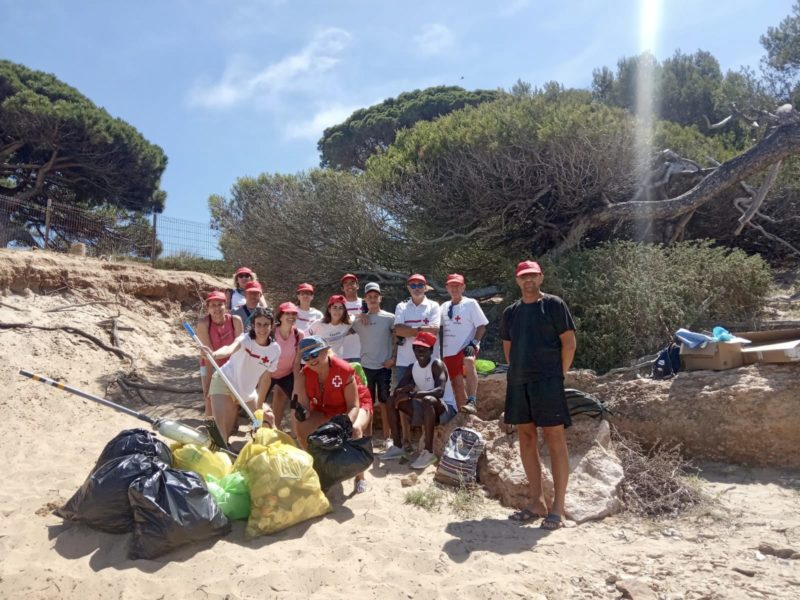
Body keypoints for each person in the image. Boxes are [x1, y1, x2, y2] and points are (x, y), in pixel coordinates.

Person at [500, 260, 577, 530]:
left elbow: (569, 343)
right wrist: (520, 371)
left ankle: (558, 507)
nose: (528, 281)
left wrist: (559, 374)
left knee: (555, 437)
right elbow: (508, 349)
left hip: (548, 381)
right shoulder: (511, 312)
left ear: (541, 278)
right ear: (517, 281)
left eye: (533, 276)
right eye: (523, 277)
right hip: (519, 382)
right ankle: (536, 501)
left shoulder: (554, 305)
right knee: (526, 436)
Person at [293, 336, 373, 493]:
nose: (311, 360)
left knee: (355, 430)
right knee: (301, 427)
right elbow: (304, 407)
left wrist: (343, 424)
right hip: (326, 407)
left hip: (355, 405)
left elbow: (353, 406)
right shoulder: (304, 374)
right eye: (306, 357)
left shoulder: (343, 369)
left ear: (325, 351)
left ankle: (360, 477)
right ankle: (319, 468)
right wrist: (302, 413)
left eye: (315, 354)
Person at [204, 307, 281, 443]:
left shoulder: (275, 350)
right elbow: (229, 348)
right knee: (222, 430)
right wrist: (213, 354)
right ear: (252, 325)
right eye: (258, 324)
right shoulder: (245, 340)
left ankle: (264, 446)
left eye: (266, 325)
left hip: (247, 391)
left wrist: (258, 408)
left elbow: (265, 380)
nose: (262, 329)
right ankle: (221, 453)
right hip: (225, 382)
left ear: (272, 326)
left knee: (266, 418)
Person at [382, 331, 457, 469]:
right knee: (392, 400)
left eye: (424, 348)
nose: (420, 351)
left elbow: (439, 392)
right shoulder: (412, 367)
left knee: (428, 399)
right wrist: (406, 389)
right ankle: (398, 446)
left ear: (431, 350)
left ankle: (428, 452)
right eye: (417, 348)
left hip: (445, 409)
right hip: (425, 408)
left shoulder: (437, 364)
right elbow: (398, 389)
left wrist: (412, 395)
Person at [393, 273, 441, 447]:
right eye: (412, 285)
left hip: (427, 361)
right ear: (408, 287)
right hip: (405, 360)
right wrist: (422, 329)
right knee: (402, 398)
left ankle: (424, 440)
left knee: (426, 398)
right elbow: (398, 330)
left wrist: (410, 330)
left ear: (425, 286)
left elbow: (434, 330)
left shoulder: (434, 306)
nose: (416, 288)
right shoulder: (401, 306)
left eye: (420, 285)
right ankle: (405, 440)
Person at [350, 282, 395, 446]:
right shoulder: (360, 320)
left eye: (376, 296)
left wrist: (394, 359)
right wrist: (356, 316)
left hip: (384, 366)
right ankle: (366, 437)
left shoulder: (390, 318)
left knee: (384, 402)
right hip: (366, 367)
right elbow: (342, 327)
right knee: (366, 404)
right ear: (365, 299)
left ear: (380, 298)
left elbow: (399, 339)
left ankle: (387, 437)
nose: (373, 299)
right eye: (370, 297)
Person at [440, 273, 489, 414]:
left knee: (468, 360)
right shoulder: (444, 306)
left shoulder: (470, 303)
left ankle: (472, 400)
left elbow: (482, 326)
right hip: (449, 351)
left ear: (463, 287)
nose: (454, 289)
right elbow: (435, 324)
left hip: (467, 345)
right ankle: (464, 415)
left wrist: (474, 343)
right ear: (447, 288)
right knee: (457, 384)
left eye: (458, 286)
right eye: (451, 286)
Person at [195, 290, 244, 417]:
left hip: (232, 364)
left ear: (225, 305)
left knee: (233, 400)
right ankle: (210, 429)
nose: (217, 308)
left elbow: (240, 349)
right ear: (208, 308)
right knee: (210, 399)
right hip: (209, 364)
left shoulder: (235, 320)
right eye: (213, 305)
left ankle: (229, 426)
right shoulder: (204, 324)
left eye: (219, 304)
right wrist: (208, 383)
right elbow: (208, 356)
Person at [268, 302, 305, 429]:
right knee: (257, 405)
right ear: (280, 316)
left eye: (294, 313)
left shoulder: (298, 334)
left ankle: (296, 435)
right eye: (287, 313)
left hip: (287, 374)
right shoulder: (270, 332)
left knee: (298, 402)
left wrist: (296, 384)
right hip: (267, 374)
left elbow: (296, 362)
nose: (291, 316)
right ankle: (257, 430)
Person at [339, 273, 363, 362]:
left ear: (357, 286)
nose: (349, 286)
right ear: (342, 288)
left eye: (352, 282)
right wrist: (358, 318)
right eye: (346, 283)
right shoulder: (338, 305)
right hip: (342, 353)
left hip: (362, 353)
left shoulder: (365, 303)